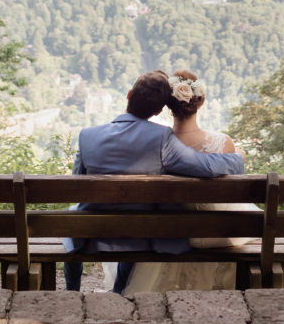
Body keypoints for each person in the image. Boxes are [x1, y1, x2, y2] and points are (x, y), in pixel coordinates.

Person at [63, 69, 245, 293]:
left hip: (91, 232)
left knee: (72, 216)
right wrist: (237, 158)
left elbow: (75, 188)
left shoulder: (87, 136)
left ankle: (72, 291)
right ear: (159, 110)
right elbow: (205, 166)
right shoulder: (161, 139)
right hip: (139, 234)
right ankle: (120, 291)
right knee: (135, 219)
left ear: (129, 95)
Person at [125, 68, 255, 292]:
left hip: (170, 234)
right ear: (200, 101)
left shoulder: (155, 143)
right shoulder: (223, 143)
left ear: (168, 105)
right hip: (217, 236)